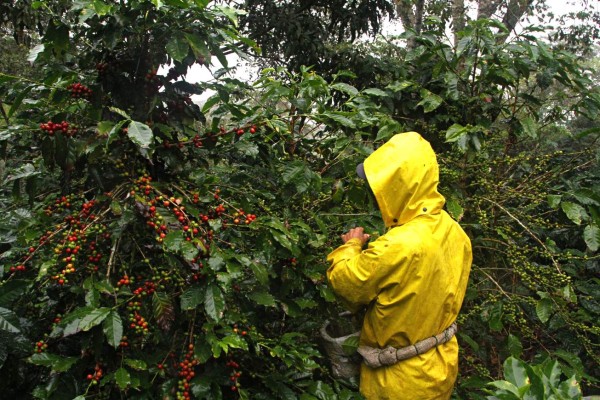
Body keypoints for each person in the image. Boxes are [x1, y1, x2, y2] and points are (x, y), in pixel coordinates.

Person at [326, 132, 472, 400]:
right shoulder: (454, 230)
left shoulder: (398, 246)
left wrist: (351, 246)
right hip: (439, 364)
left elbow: (347, 285)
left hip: (400, 381)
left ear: (397, 186)